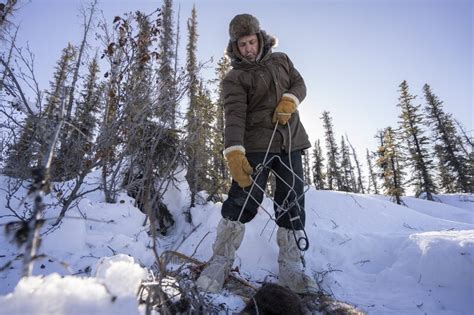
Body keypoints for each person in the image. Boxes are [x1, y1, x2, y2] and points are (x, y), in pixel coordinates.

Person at [196, 13, 318, 294]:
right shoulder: (235, 78)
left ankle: (291, 265)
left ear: (260, 38)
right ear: (235, 47)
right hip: (255, 146)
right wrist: (234, 152)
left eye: (252, 41)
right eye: (242, 45)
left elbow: (300, 84)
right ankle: (220, 260)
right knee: (243, 199)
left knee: (292, 201)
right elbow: (235, 116)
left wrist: (290, 99)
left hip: (290, 143)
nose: (249, 48)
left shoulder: (282, 60)